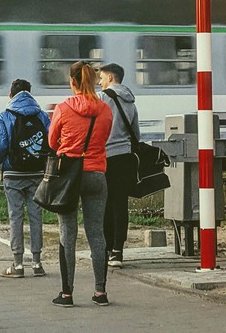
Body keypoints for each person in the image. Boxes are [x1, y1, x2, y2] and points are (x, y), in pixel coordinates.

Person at [48, 61, 112, 308]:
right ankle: (100, 292)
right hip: (97, 174)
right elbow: (104, 138)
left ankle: (66, 294)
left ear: (72, 81)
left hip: (69, 178)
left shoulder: (63, 108)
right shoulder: (105, 110)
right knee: (96, 233)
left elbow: (52, 142)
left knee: (68, 232)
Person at [0, 78, 50, 278]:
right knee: (36, 216)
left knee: (15, 216)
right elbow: (51, 141)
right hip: (36, 174)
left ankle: (17, 265)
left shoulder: (4, 115)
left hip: (13, 174)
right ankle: (37, 263)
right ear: (31, 93)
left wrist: (2, 163)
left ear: (10, 95)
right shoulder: (41, 115)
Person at [98, 63, 140, 268]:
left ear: (111, 78)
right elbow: (136, 133)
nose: (100, 82)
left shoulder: (102, 98)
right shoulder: (130, 101)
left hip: (105, 157)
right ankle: (118, 251)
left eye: (102, 78)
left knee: (105, 203)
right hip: (124, 157)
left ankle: (105, 249)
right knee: (120, 204)